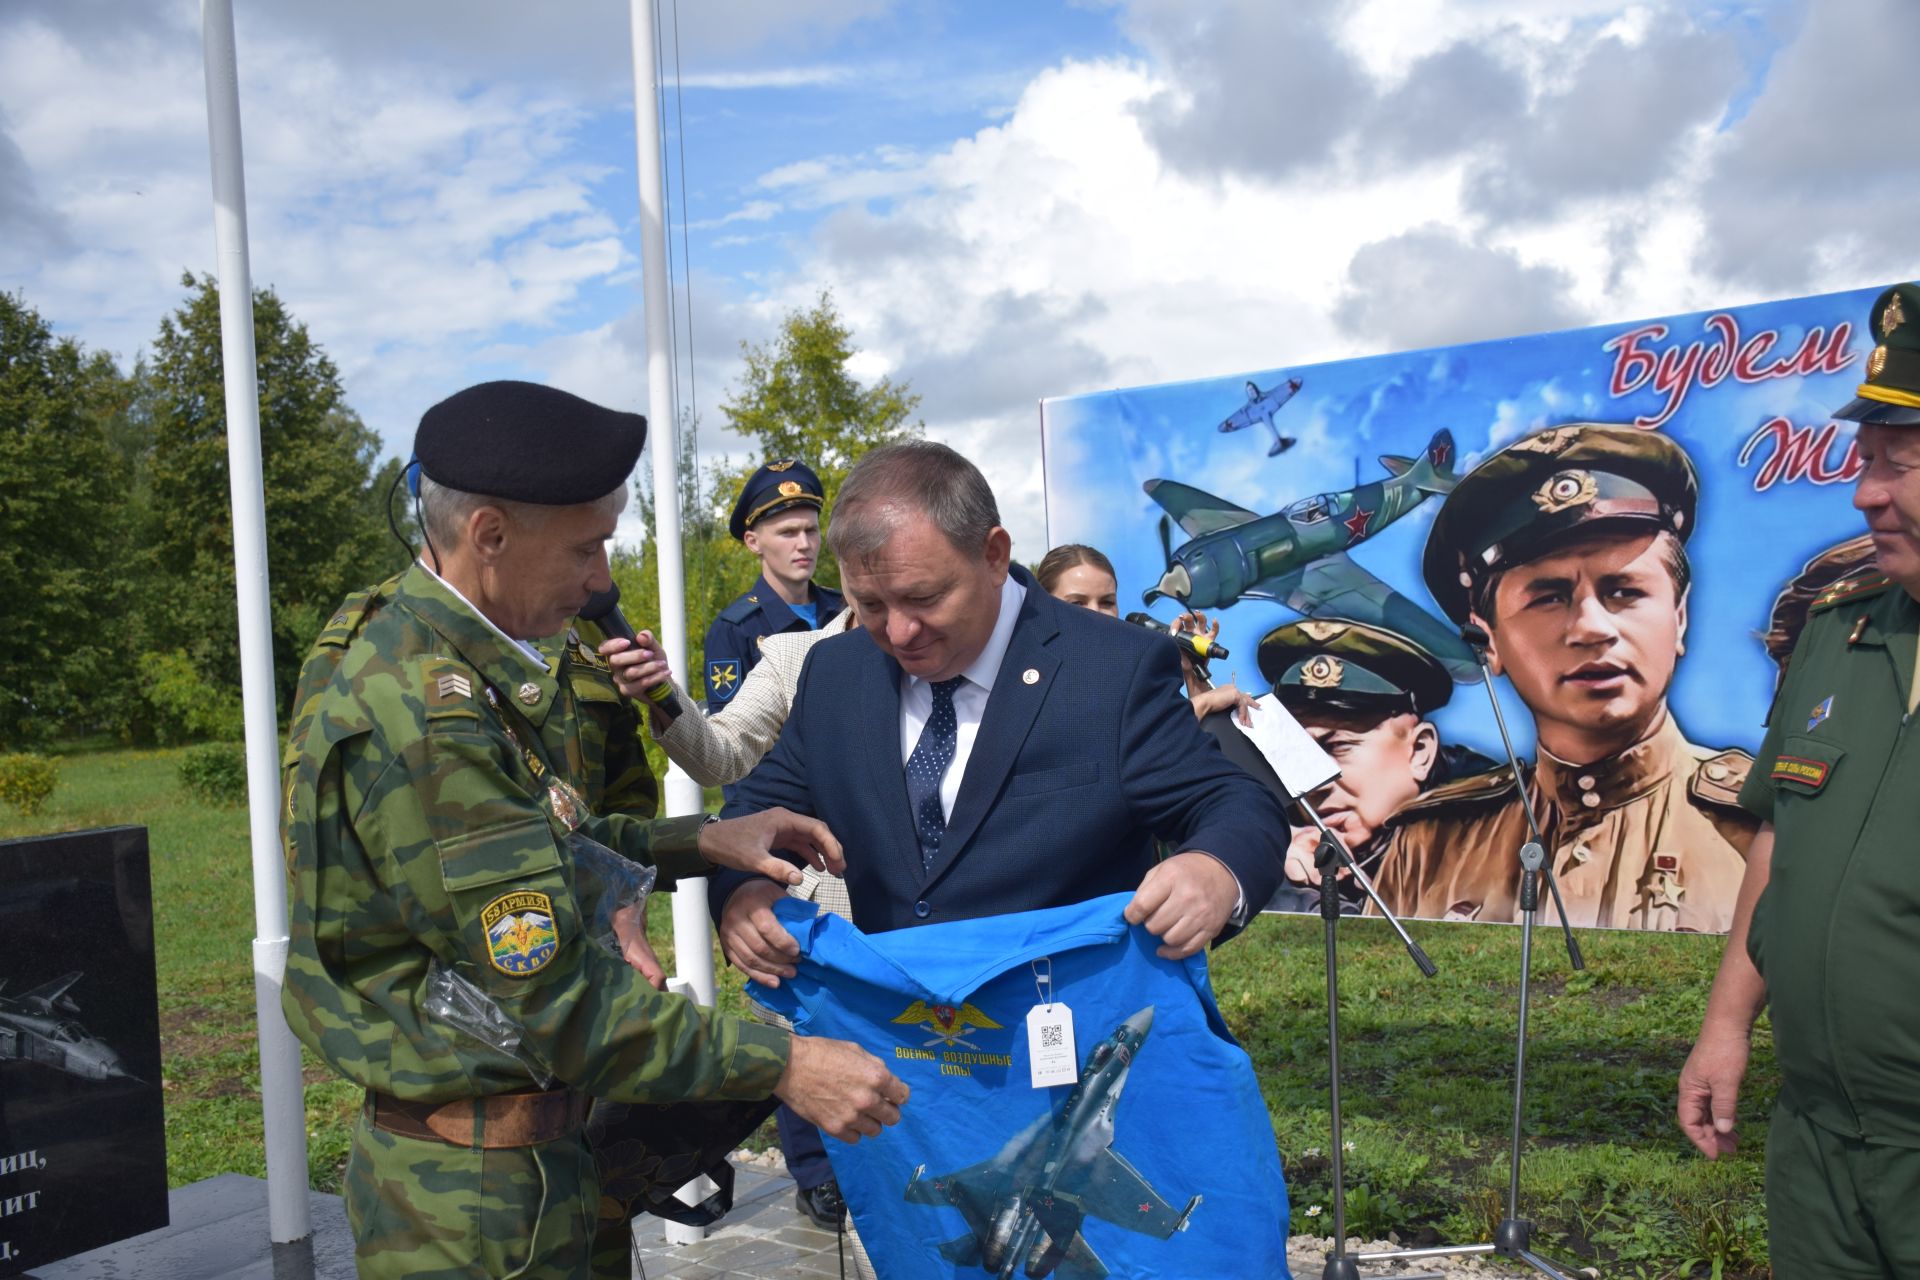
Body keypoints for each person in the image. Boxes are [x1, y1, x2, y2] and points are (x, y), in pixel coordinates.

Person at [278, 381, 905, 1279]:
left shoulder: (442, 649)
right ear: (488, 534)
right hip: (481, 1213)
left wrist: (701, 842)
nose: (600, 578)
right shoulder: (425, 712)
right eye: (586, 546)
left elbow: (538, 846)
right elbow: (564, 1006)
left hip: (531, 1167)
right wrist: (785, 1063)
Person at [707, 438, 1288, 984]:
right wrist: (742, 893)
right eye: (872, 604)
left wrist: (1214, 869)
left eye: (924, 598)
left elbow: (1232, 802)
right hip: (898, 1050)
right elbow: (756, 812)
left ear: (993, 555)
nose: (899, 631)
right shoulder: (835, 671)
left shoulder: (1113, 667)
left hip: (1070, 1042)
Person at [1678, 282, 1920, 1276]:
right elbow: (1781, 837)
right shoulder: (1839, 630)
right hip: (1819, 1137)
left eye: (1898, 464)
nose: (1866, 492)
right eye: (1866, 463)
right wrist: (1727, 1021)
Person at [1371, 423, 1757, 931]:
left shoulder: (1771, 829)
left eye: (1624, 592)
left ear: (1679, 618)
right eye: (1549, 598)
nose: (1593, 628)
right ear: (1489, 644)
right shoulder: (1429, 844)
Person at [1259, 618, 1494, 912]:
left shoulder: (1497, 826)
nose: (1314, 782)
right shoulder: (1271, 822)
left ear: (1420, 752)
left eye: (1339, 747)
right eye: (1298, 753)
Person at [704, 460, 844, 713]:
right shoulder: (735, 631)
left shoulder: (844, 608)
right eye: (788, 533)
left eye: (811, 530)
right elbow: (732, 737)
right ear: (753, 542)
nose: (804, 544)